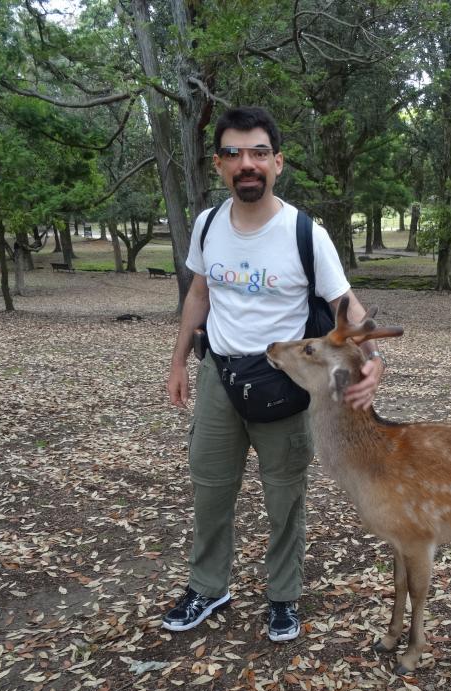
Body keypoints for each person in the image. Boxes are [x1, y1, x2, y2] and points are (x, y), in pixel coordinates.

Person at [162, 106, 386, 641]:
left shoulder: (305, 232)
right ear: (218, 164)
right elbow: (199, 292)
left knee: (285, 495)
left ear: (277, 163)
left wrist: (374, 360)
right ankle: (208, 585)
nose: (247, 164)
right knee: (211, 488)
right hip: (220, 374)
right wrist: (177, 362)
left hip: (284, 384)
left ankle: (283, 596)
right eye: (234, 153)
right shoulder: (208, 225)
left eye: (259, 153)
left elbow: (345, 302)